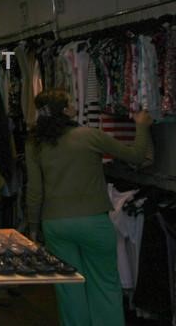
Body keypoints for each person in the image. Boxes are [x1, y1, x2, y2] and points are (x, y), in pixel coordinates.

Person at [26, 89, 153, 326]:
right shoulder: (90, 136)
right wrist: (142, 126)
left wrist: (33, 228)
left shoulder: (35, 144)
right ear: (64, 110)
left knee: (68, 288)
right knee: (104, 284)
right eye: (71, 102)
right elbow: (136, 156)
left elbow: (34, 190)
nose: (75, 104)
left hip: (55, 223)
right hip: (93, 221)